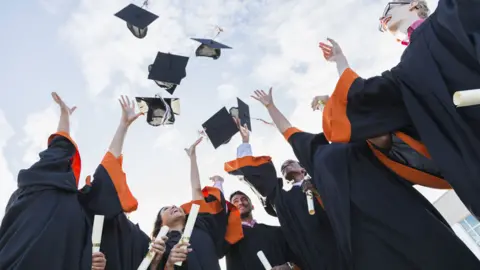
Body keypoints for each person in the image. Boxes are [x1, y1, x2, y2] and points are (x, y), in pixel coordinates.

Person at [250, 88, 480, 269]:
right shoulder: (316, 154)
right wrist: (270, 106)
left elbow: (368, 125)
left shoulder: (358, 142)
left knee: (440, 256)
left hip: (398, 210)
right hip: (362, 234)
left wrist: (329, 102)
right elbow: (288, 131)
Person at [318, 0, 480, 218]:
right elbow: (365, 99)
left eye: (388, 9)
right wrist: (340, 62)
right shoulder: (403, 73)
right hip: (472, 159)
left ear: (413, 4)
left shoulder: (450, 13)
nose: (382, 20)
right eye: (381, 23)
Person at [0, 93, 135, 269]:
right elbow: (60, 147)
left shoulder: (82, 205)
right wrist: (64, 116)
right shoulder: (31, 188)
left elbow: (106, 174)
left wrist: (123, 126)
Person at [224, 121, 343, 270]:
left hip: (345, 245)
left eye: (291, 162)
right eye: (283, 167)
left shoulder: (322, 181)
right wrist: (245, 142)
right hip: (315, 259)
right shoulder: (283, 200)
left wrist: (317, 191)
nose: (286, 165)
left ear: (304, 169)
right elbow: (259, 179)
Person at [79, 95, 167, 270]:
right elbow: (108, 168)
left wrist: (156, 259)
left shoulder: (140, 238)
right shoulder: (93, 215)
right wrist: (123, 127)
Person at [153, 137, 243, 270]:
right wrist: (169, 264)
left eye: (174, 206)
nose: (173, 206)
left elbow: (196, 188)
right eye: (165, 209)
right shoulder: (160, 247)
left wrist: (192, 157)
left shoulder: (201, 224)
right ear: (161, 223)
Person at [218, 121, 297, 270]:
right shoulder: (229, 239)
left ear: (253, 204)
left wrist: (288, 267)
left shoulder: (275, 231)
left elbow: (297, 257)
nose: (241, 202)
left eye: (244, 199)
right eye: (235, 201)